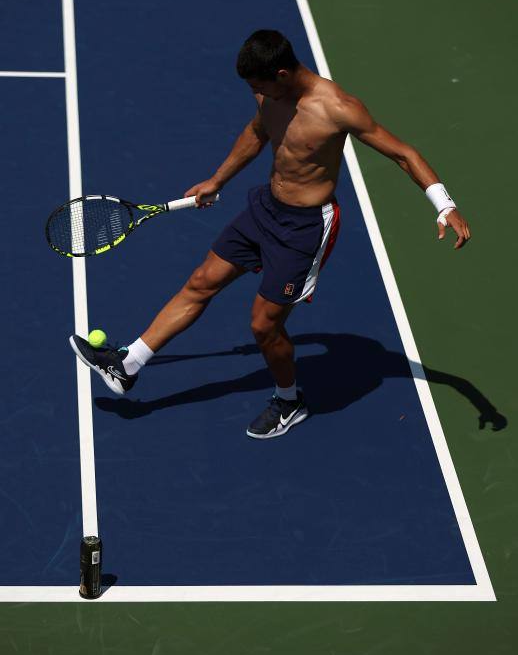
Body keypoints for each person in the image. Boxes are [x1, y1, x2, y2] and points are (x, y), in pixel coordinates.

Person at [70, 29, 471, 439]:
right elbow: (258, 132)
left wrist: (445, 205)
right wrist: (217, 179)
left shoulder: (338, 108)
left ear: (282, 74)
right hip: (265, 209)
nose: (256, 94)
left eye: (259, 86)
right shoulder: (269, 93)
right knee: (201, 281)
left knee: (264, 326)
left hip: (305, 229)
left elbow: (404, 154)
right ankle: (128, 365)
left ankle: (289, 401)